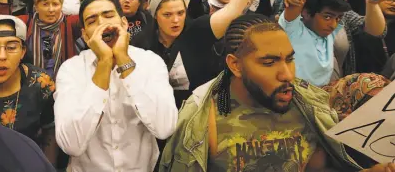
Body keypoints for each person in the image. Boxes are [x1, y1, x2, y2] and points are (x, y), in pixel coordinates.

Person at [159, 14, 395, 172]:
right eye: (269, 62)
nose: (287, 74)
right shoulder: (203, 120)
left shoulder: (308, 108)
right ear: (235, 65)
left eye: (289, 60)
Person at [132, 0, 283, 108]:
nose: (175, 20)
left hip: (197, 116)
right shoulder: (140, 43)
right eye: (167, 15)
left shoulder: (196, 32)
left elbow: (233, 9)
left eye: (180, 13)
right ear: (155, 15)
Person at [54, 0, 177, 172]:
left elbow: (164, 128)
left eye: (109, 15)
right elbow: (71, 144)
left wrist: (122, 58)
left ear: (124, 24)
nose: (102, 23)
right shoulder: (71, 70)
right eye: (92, 20)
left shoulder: (151, 62)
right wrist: (104, 62)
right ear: (86, 36)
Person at [0, 15, 58, 165]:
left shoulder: (40, 84)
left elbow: (50, 131)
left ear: (23, 52)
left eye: (12, 47)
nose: (2, 56)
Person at [0, 0, 81, 78]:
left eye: (55, 4)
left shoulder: (69, 23)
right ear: (36, 6)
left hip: (64, 84)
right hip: (31, 85)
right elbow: (2, 21)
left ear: (61, 6)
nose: (51, 9)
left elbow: (90, 17)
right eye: (45, 4)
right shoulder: (26, 23)